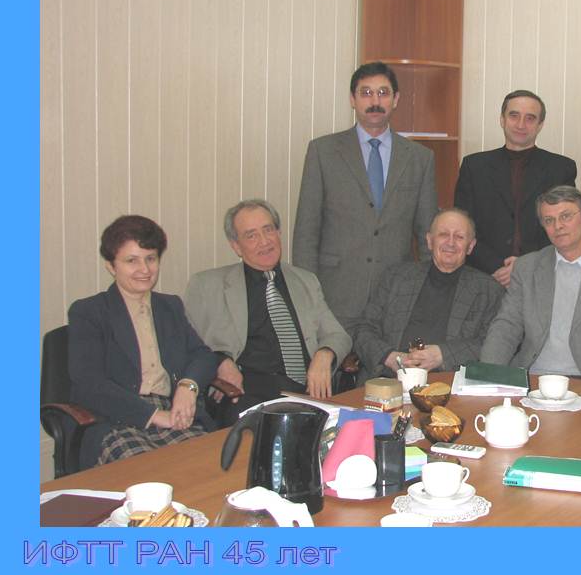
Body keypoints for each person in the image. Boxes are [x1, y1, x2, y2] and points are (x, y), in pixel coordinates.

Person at [292, 61, 438, 328]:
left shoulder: (420, 158)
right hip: (334, 293)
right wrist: (306, 296)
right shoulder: (323, 152)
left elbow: (427, 234)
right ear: (353, 99)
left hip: (395, 296)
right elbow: (306, 231)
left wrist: (429, 292)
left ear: (396, 99)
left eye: (383, 93)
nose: (375, 101)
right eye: (366, 93)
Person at [67, 216, 217, 468]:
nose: (145, 269)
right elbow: (88, 383)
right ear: (111, 266)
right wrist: (153, 415)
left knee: (206, 468)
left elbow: (203, 355)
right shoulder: (89, 312)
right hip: (117, 418)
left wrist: (188, 387)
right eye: (132, 260)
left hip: (174, 411)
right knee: (148, 474)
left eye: (151, 258)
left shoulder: (169, 306)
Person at [185, 199, 352, 422]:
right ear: (236, 246)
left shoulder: (305, 280)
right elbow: (189, 344)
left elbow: (339, 335)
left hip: (309, 391)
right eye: (251, 235)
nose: (264, 241)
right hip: (247, 393)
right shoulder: (207, 286)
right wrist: (220, 362)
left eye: (268, 230)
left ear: (279, 232)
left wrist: (325, 354)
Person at [480, 186, 581, 384]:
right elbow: (506, 327)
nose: (558, 226)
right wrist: (487, 376)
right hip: (531, 378)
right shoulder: (527, 267)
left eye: (566, 216)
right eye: (549, 220)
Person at [353, 208, 504, 383]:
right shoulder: (396, 277)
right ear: (429, 241)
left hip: (450, 385)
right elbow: (364, 329)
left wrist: (443, 355)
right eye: (443, 234)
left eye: (459, 237)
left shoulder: (489, 291)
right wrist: (390, 357)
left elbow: (493, 343)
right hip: (386, 381)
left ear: (470, 246)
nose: (450, 243)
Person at [454, 89, 576, 288]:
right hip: (484, 276)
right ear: (502, 120)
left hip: (541, 276)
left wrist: (525, 266)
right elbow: (462, 226)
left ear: (540, 125)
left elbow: (565, 226)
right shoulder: (474, 166)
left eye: (530, 118)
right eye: (514, 116)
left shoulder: (561, 168)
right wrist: (497, 267)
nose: (521, 124)